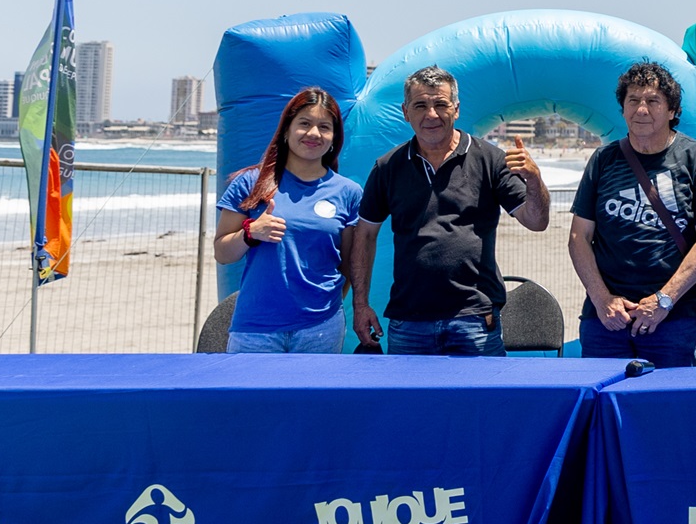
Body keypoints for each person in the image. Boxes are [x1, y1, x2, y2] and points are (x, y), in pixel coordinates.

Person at [348, 65, 551, 356]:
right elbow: (364, 235)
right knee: (408, 403)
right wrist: (361, 305)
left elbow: (536, 221)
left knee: (482, 402)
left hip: (475, 318)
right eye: (421, 105)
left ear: (456, 109)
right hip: (409, 321)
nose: (431, 114)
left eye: (440, 104)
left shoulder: (490, 159)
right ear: (406, 112)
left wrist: (534, 179)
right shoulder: (387, 168)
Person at [569, 61, 696, 370]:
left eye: (653, 101)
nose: (642, 109)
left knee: (667, 411)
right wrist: (602, 300)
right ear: (623, 109)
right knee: (600, 407)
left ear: (672, 111)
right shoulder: (604, 159)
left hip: (672, 319)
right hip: (606, 321)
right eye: (633, 101)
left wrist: (663, 300)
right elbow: (578, 237)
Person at [213, 87, 364, 353]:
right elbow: (223, 253)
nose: (314, 133)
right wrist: (250, 232)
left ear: (334, 137)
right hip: (255, 328)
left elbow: (349, 265)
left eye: (324, 127)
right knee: (250, 396)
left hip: (321, 328)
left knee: (312, 397)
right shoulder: (250, 182)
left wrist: (323, 307)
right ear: (286, 130)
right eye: (304, 123)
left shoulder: (349, 192)